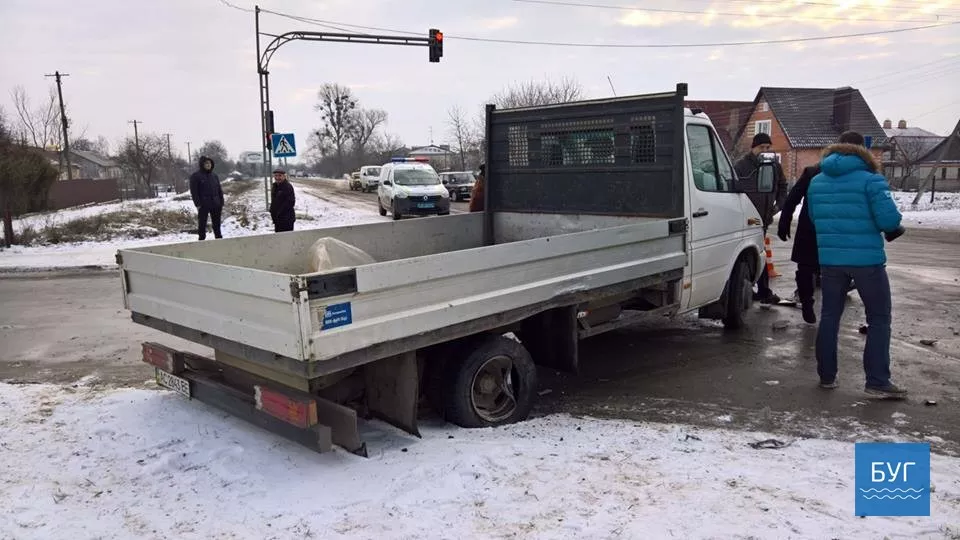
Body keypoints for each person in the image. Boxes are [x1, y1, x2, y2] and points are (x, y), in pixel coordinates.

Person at [806, 131, 906, 398]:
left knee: (829, 316)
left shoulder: (817, 181)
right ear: (863, 152)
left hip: (830, 261)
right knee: (879, 318)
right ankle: (876, 380)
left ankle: (827, 376)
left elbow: (815, 218)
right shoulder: (872, 181)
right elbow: (889, 221)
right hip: (867, 262)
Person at [777, 131, 868, 324]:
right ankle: (829, 309)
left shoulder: (814, 171)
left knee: (805, 268)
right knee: (835, 270)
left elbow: (793, 197)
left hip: (811, 227)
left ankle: (807, 302)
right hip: (841, 231)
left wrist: (785, 220)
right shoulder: (862, 175)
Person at [734, 133, 788, 304]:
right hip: (747, 218)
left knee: (759, 253)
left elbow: (782, 186)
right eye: (761, 147)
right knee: (751, 254)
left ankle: (762, 290)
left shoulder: (774, 166)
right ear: (753, 148)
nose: (764, 151)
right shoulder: (741, 166)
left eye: (767, 148)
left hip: (764, 217)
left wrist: (778, 206)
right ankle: (758, 290)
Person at [189, 155, 224, 240]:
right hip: (203, 204)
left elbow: (219, 189)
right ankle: (202, 239)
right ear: (202, 164)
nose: (208, 165)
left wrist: (221, 201)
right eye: (206, 163)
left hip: (215, 203)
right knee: (202, 223)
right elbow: (194, 192)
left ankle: (218, 238)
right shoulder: (196, 176)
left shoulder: (214, 176)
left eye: (210, 163)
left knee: (217, 223)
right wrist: (197, 204)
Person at [269, 168, 296, 233]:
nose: (277, 177)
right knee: (279, 239)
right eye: (276, 175)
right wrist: (272, 210)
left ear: (284, 176)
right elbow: (274, 201)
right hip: (277, 220)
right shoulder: (275, 186)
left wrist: (279, 213)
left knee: (287, 240)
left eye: (280, 175)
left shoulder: (287, 187)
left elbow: (290, 202)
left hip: (286, 220)